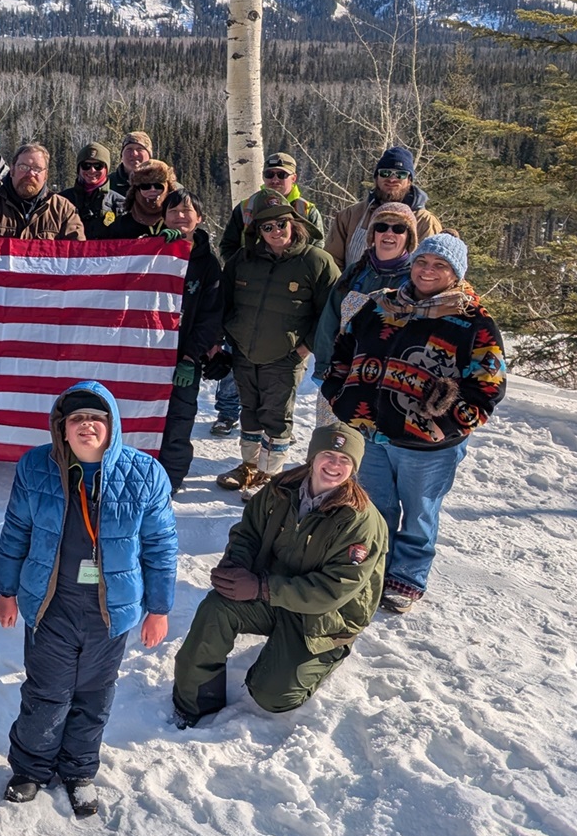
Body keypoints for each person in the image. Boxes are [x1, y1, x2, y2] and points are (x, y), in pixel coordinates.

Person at [0, 384, 176, 817]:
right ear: (62, 428)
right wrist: (6, 590)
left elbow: (161, 545)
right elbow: (15, 530)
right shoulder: (36, 466)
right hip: (50, 603)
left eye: (96, 418)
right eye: (77, 419)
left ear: (112, 425)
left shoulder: (144, 473)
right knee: (47, 692)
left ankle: (79, 770)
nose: (87, 426)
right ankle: (31, 769)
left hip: (109, 610)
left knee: (94, 693)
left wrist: (159, 608)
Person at [321, 233, 506, 614]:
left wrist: (448, 424)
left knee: (420, 514)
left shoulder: (473, 321)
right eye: (423, 262)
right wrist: (340, 396)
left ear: (456, 273)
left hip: (428, 446)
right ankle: (373, 570)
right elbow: (344, 350)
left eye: (440, 266)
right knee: (374, 509)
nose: (427, 270)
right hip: (371, 433)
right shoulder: (380, 306)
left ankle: (407, 578)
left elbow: (488, 386)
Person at [172, 425, 387, 726]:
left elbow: (333, 591)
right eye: (328, 454)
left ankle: (324, 657)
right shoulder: (279, 490)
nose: (334, 466)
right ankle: (194, 704)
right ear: (313, 457)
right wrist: (235, 569)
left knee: (273, 696)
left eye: (344, 460)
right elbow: (248, 533)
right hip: (272, 593)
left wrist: (261, 588)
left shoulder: (361, 522)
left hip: (324, 618)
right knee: (216, 608)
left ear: (354, 468)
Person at [217, 190, 339, 496]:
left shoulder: (316, 261)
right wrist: (230, 336)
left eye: (281, 224)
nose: (275, 232)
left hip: (285, 356)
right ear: (257, 231)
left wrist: (304, 348)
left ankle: (270, 476)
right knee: (250, 410)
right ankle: (248, 467)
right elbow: (224, 302)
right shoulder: (242, 261)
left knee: (276, 415)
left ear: (294, 223)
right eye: (266, 227)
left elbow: (332, 313)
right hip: (245, 352)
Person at [308, 201, 418, 423]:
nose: (389, 233)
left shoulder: (415, 281)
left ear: (409, 237)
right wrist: (324, 368)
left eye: (398, 228)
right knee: (333, 443)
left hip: (388, 383)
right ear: (372, 234)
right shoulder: (354, 272)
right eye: (382, 227)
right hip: (342, 375)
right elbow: (329, 322)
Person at [157, 191, 224, 493]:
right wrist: (155, 246)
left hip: (185, 358)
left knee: (179, 419)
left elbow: (211, 317)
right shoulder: (150, 252)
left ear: (200, 218)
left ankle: (169, 481)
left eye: (187, 211)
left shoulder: (208, 264)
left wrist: (191, 357)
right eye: (173, 211)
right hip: (147, 356)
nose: (180, 216)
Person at [323, 145, 442, 269]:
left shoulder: (424, 221)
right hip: (351, 286)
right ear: (376, 178)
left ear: (409, 180)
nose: (391, 179)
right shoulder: (350, 215)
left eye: (400, 175)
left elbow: (429, 270)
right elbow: (332, 263)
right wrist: (343, 285)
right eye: (385, 173)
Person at [0, 143, 86, 241]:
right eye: (23, 167)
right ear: (12, 170)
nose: (30, 174)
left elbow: (77, 257)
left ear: (46, 175)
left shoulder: (63, 210)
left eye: (37, 169)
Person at [219, 151, 326, 257]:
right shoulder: (245, 207)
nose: (275, 180)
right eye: (269, 174)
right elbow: (228, 246)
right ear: (263, 177)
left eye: (281, 175)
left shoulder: (307, 209)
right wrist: (242, 270)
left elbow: (317, 248)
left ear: (293, 178)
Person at [63, 142, 128, 240]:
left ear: (106, 169)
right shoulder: (63, 201)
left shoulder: (120, 203)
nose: (92, 170)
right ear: (78, 169)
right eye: (86, 165)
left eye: (98, 166)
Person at [121, 159, 175, 237]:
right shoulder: (123, 224)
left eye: (158, 186)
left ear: (168, 188)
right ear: (136, 190)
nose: (152, 190)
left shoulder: (178, 221)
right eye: (145, 186)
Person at [109, 131, 153, 198]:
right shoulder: (108, 183)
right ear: (122, 155)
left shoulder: (162, 183)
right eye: (129, 149)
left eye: (139, 149)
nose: (134, 154)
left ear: (149, 155)